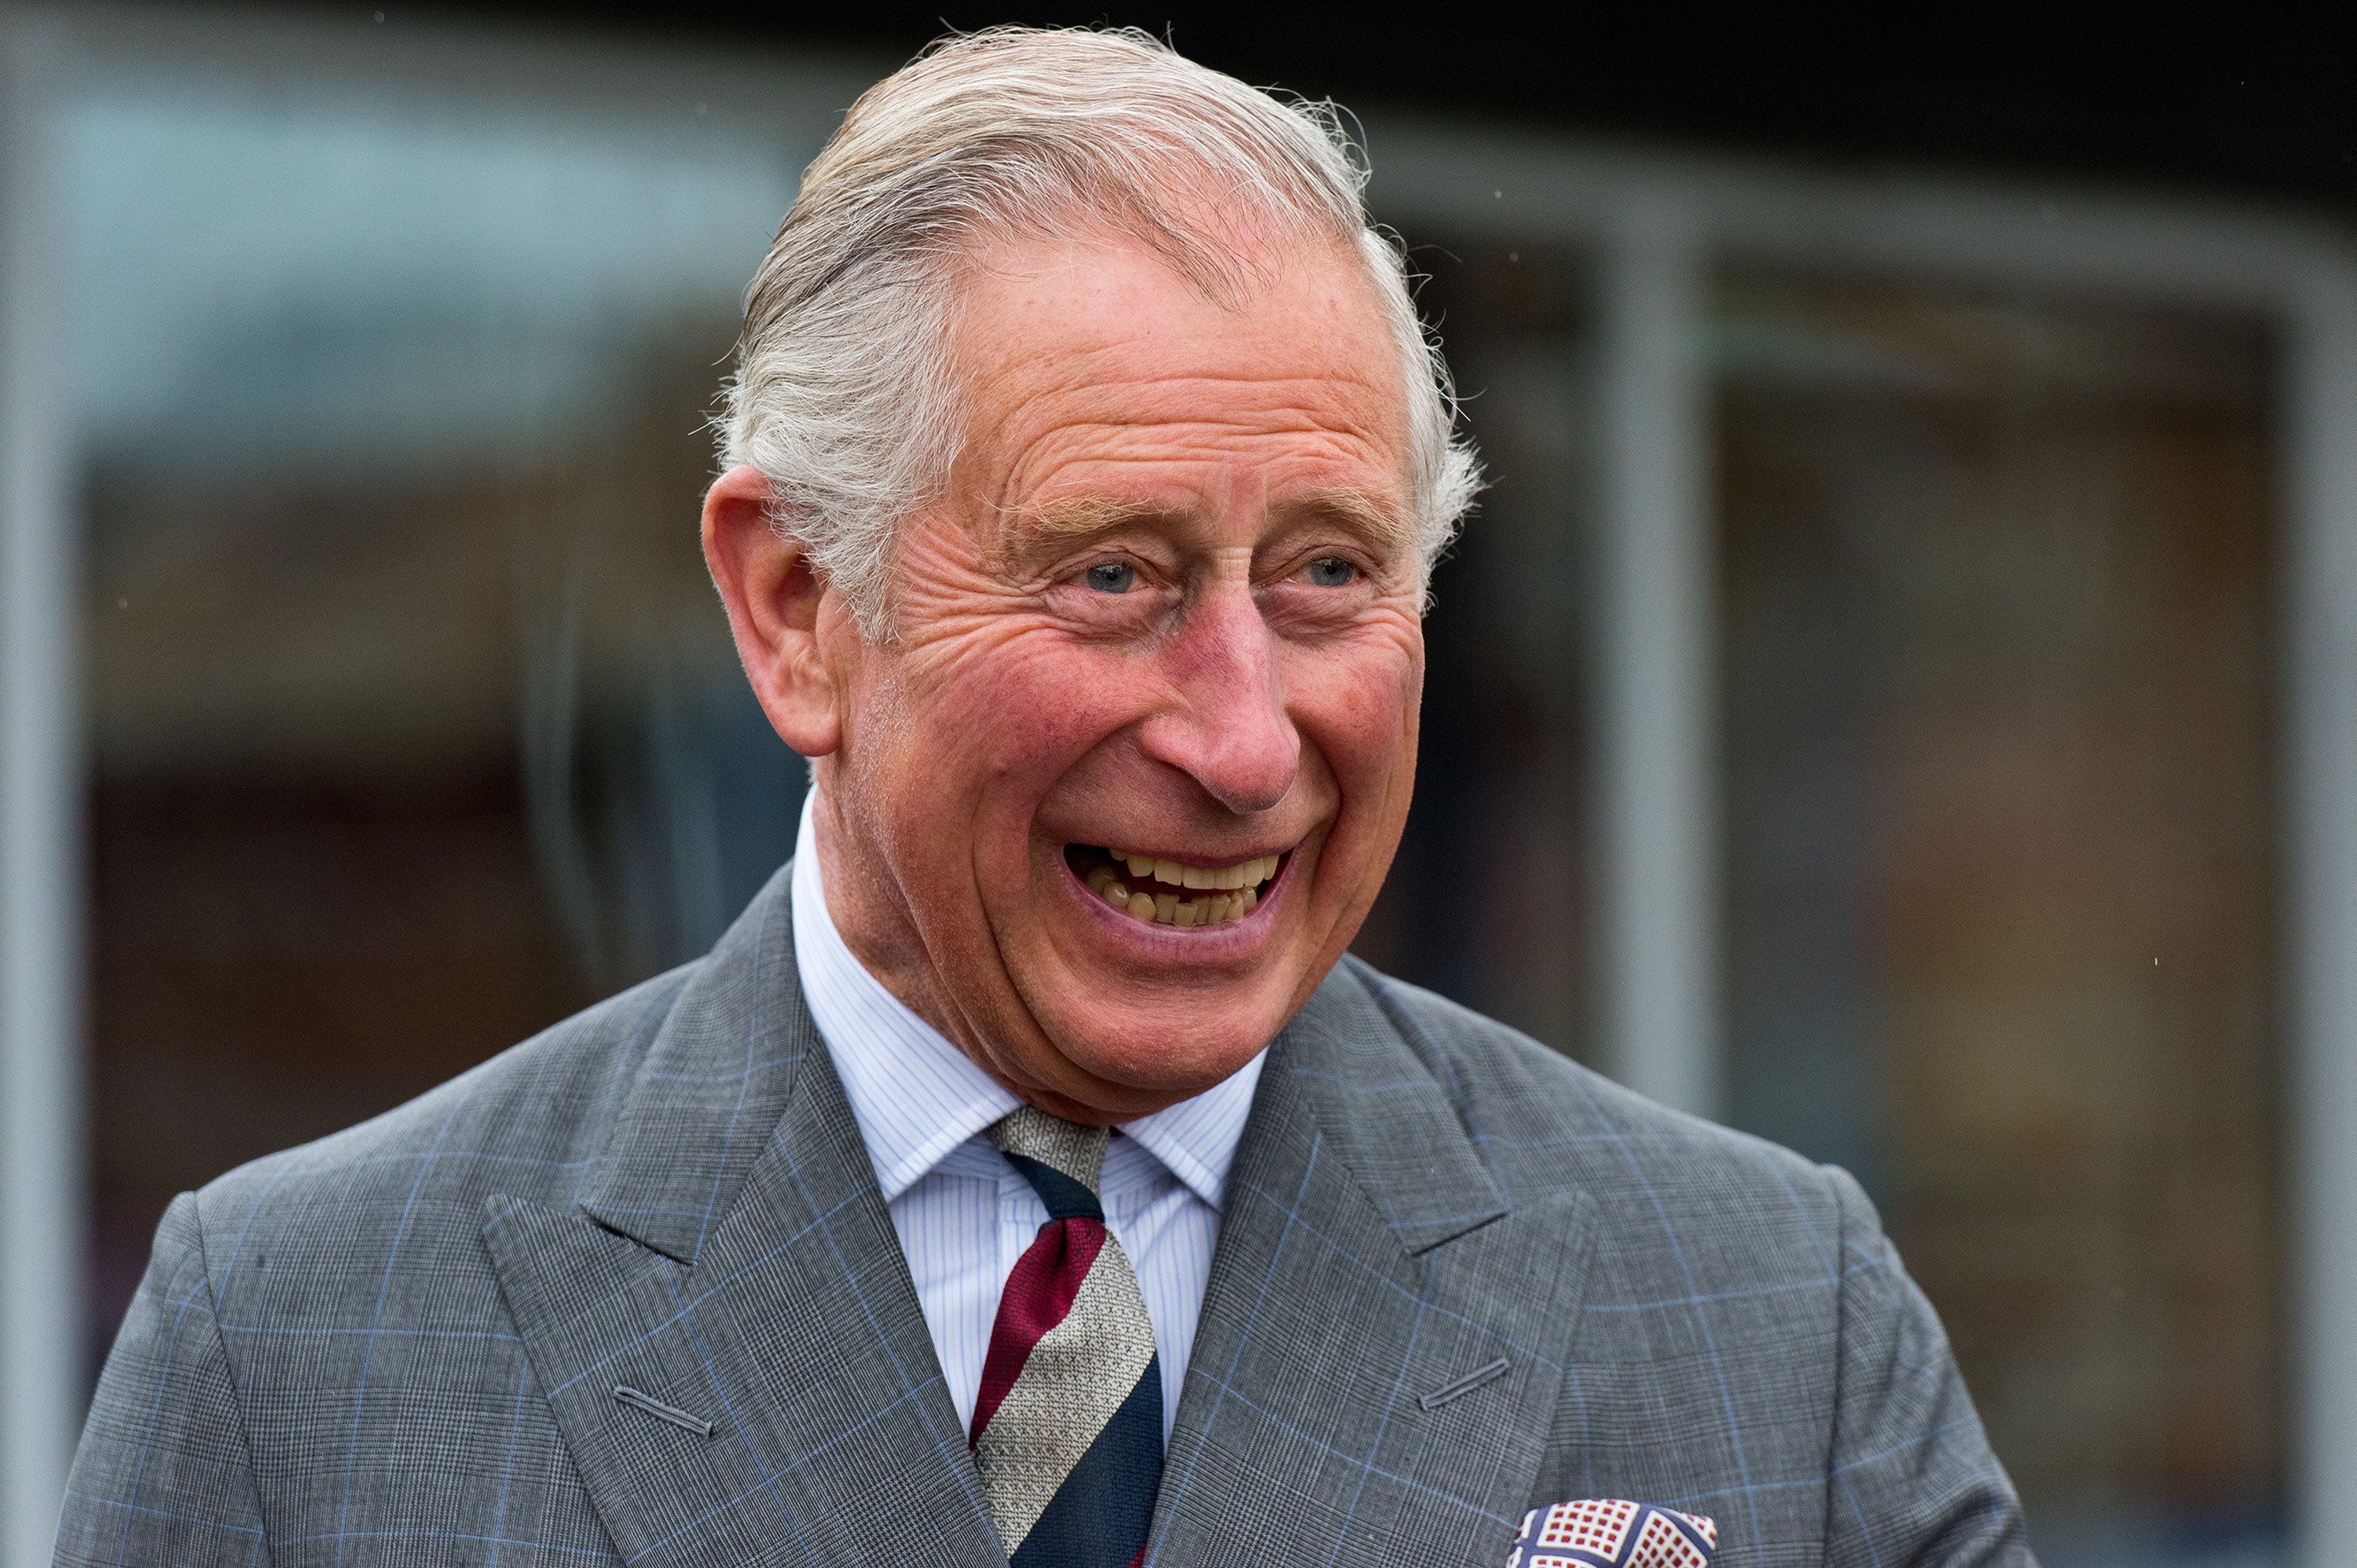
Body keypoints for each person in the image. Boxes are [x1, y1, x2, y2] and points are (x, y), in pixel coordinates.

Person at [57, 27, 2032, 1568]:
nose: (1246, 739)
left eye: (1331, 572)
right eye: (1115, 575)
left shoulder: (1774, 1321)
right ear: (798, 609)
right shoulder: (305, 1347)